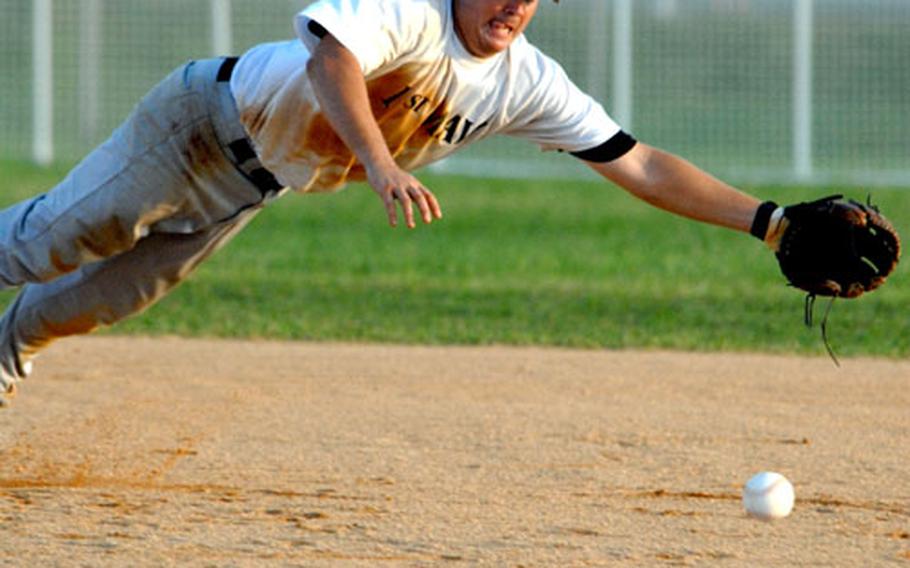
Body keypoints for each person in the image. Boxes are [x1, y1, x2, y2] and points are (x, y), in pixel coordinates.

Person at [0, 0, 771, 407]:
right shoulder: (412, 10)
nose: (515, 6)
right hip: (199, 125)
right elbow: (333, 54)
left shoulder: (527, 80)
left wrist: (769, 222)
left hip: (252, 183)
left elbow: (638, 163)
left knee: (92, 302)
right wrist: (378, 163)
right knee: (51, 242)